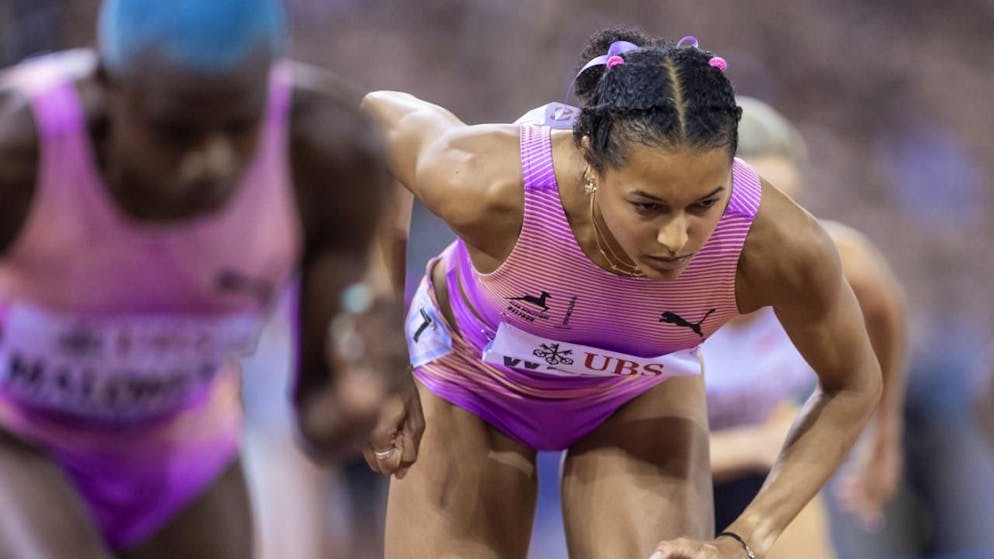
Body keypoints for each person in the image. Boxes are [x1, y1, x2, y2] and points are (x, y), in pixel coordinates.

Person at [362, 26, 882, 559]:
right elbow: (375, 118)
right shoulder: (489, 181)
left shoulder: (777, 243)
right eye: (648, 206)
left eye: (705, 204)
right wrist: (377, 351)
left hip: (636, 393)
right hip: (473, 380)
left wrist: (742, 541)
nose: (677, 239)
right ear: (590, 162)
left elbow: (853, 384)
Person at [0, 0, 406, 557]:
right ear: (108, 87)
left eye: (242, 126)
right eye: (175, 132)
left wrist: (358, 399)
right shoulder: (19, 154)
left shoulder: (326, 155)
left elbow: (318, 426)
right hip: (19, 439)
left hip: (180, 454)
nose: (210, 162)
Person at [703, 96, 908, 559]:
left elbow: (885, 310)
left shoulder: (835, 260)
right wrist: (748, 445)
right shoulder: (661, 280)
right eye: (750, 209)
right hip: (664, 454)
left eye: (789, 207)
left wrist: (884, 438)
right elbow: (617, 438)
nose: (773, 232)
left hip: (769, 443)